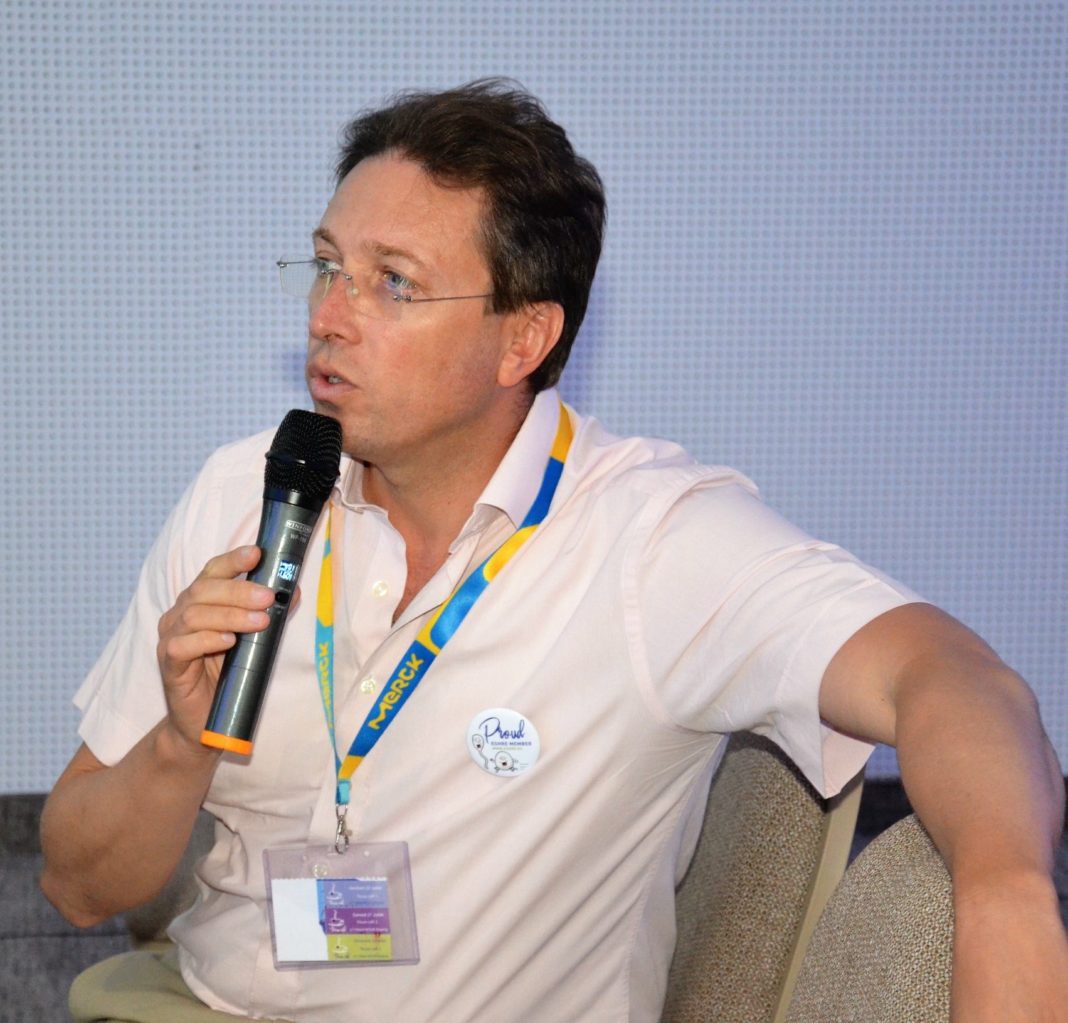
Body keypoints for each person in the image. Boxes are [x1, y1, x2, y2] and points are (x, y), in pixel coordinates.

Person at [41, 79, 1067, 1023]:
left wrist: (1007, 894)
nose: (329, 316)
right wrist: (179, 746)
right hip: (206, 1004)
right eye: (326, 267)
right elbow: (77, 886)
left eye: (391, 283)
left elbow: (955, 679)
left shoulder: (652, 544)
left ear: (523, 339)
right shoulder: (249, 495)